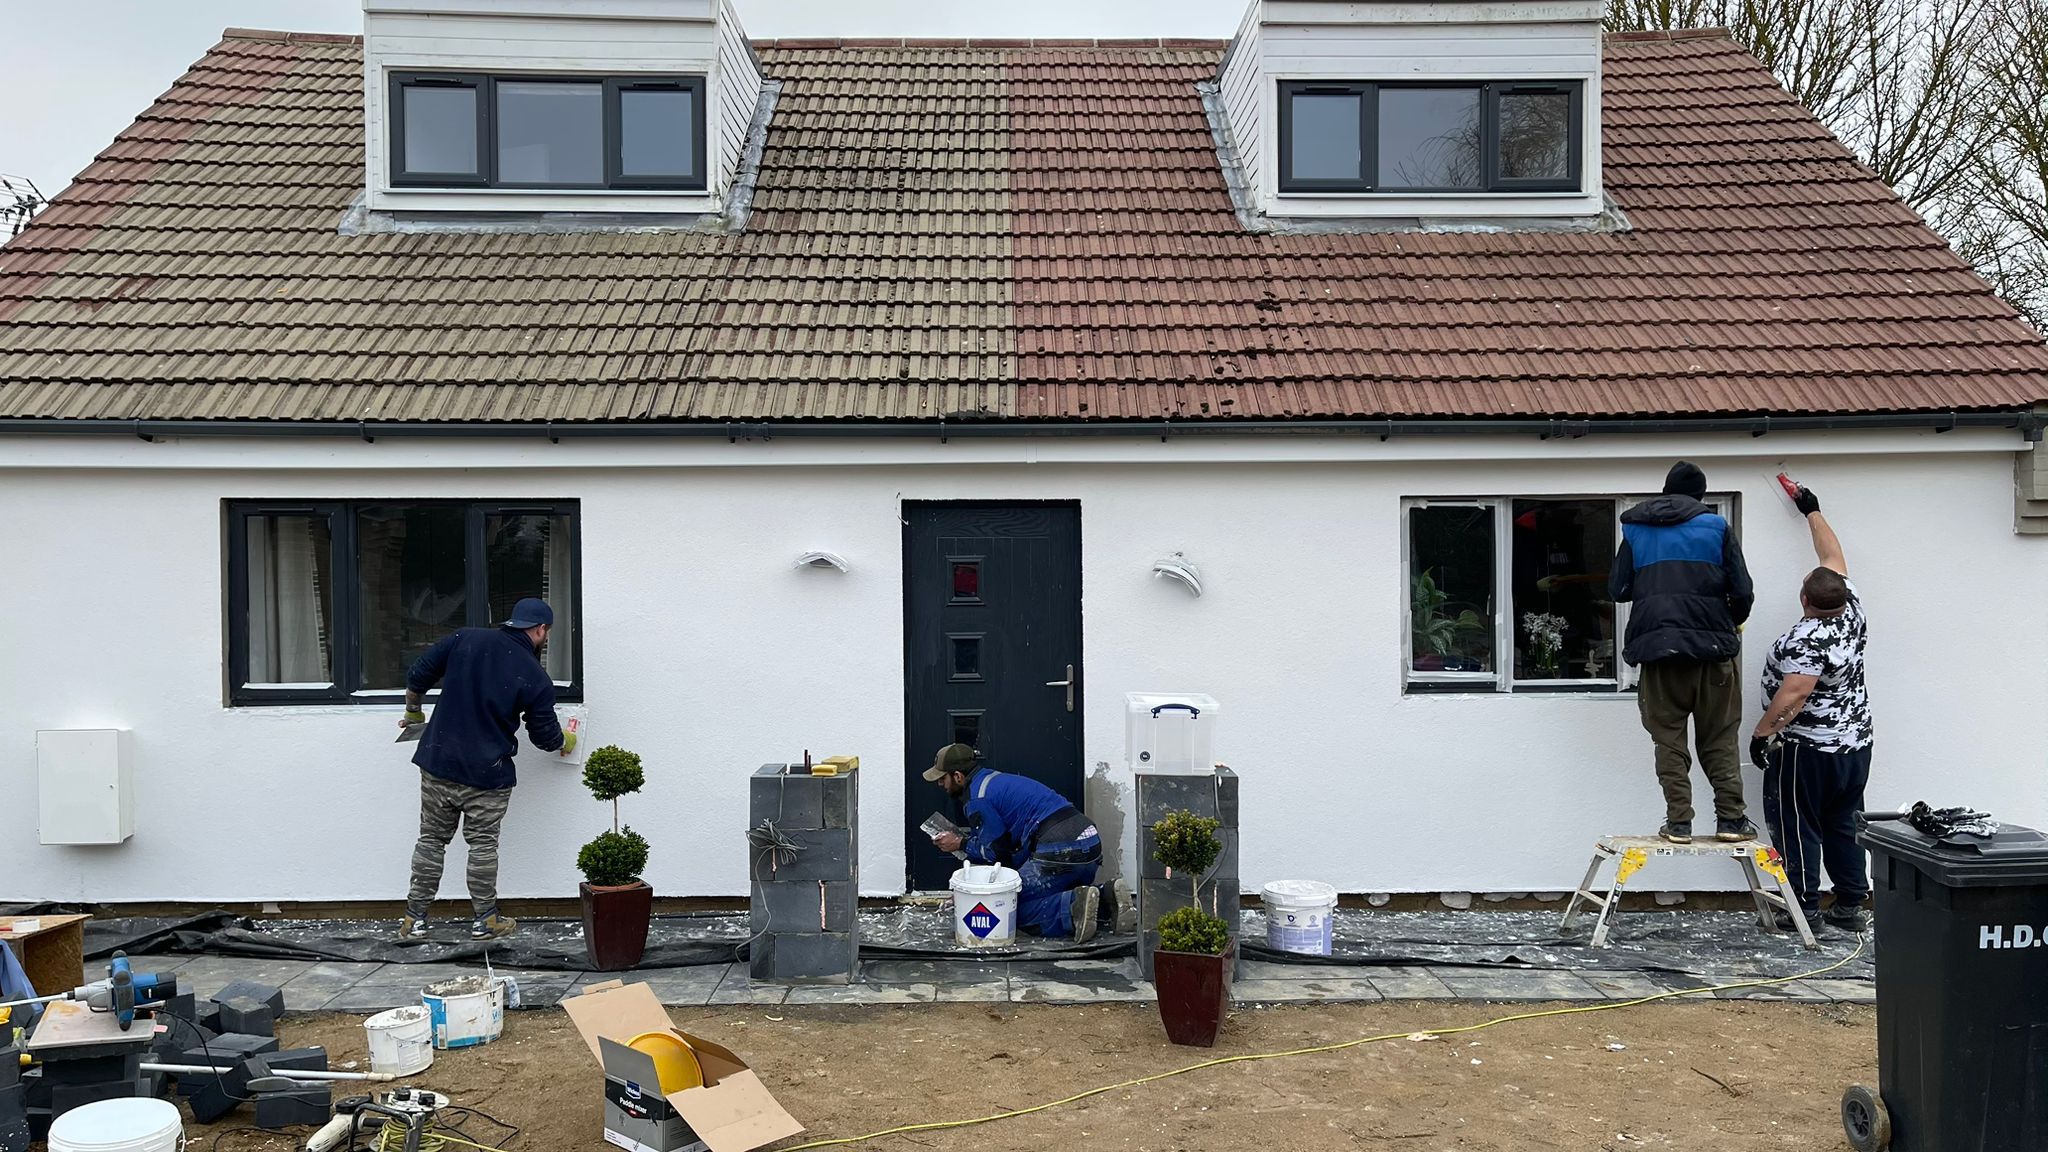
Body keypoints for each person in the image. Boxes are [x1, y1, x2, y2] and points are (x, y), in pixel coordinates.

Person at [397, 597, 576, 942]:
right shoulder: (535, 677)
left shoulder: (465, 638)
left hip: (439, 764)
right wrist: (565, 740)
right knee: (481, 845)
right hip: (487, 775)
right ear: (541, 630)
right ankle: (485, 921)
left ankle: (413, 919)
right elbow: (544, 736)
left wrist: (414, 713)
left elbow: (418, 675)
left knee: (431, 840)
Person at [1610, 461, 1759, 844]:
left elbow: (1617, 589)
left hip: (1659, 653)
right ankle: (1731, 821)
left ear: (1666, 491)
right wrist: (1729, 622)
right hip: (1713, 654)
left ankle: (1678, 823)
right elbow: (1742, 591)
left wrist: (1653, 587)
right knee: (1720, 737)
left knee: (1668, 739)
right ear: (1700, 496)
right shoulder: (1716, 527)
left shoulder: (1637, 528)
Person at [1752, 484, 1873, 934]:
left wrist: (1763, 734)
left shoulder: (1806, 639)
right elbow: (1832, 555)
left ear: (1805, 600)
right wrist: (1812, 510)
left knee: (1797, 823)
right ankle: (1850, 904)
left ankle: (1803, 908)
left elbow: (1794, 694)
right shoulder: (1851, 609)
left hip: (1809, 750)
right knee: (1843, 821)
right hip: (1855, 745)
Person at [924, 744, 1132, 943]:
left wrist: (961, 844)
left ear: (958, 776)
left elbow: (996, 854)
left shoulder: (978, 799)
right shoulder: (995, 780)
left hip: (1060, 850)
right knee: (1036, 892)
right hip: (1089, 843)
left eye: (942, 779)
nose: (940, 784)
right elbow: (1012, 853)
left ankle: (1072, 907)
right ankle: (1106, 896)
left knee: (1005, 905)